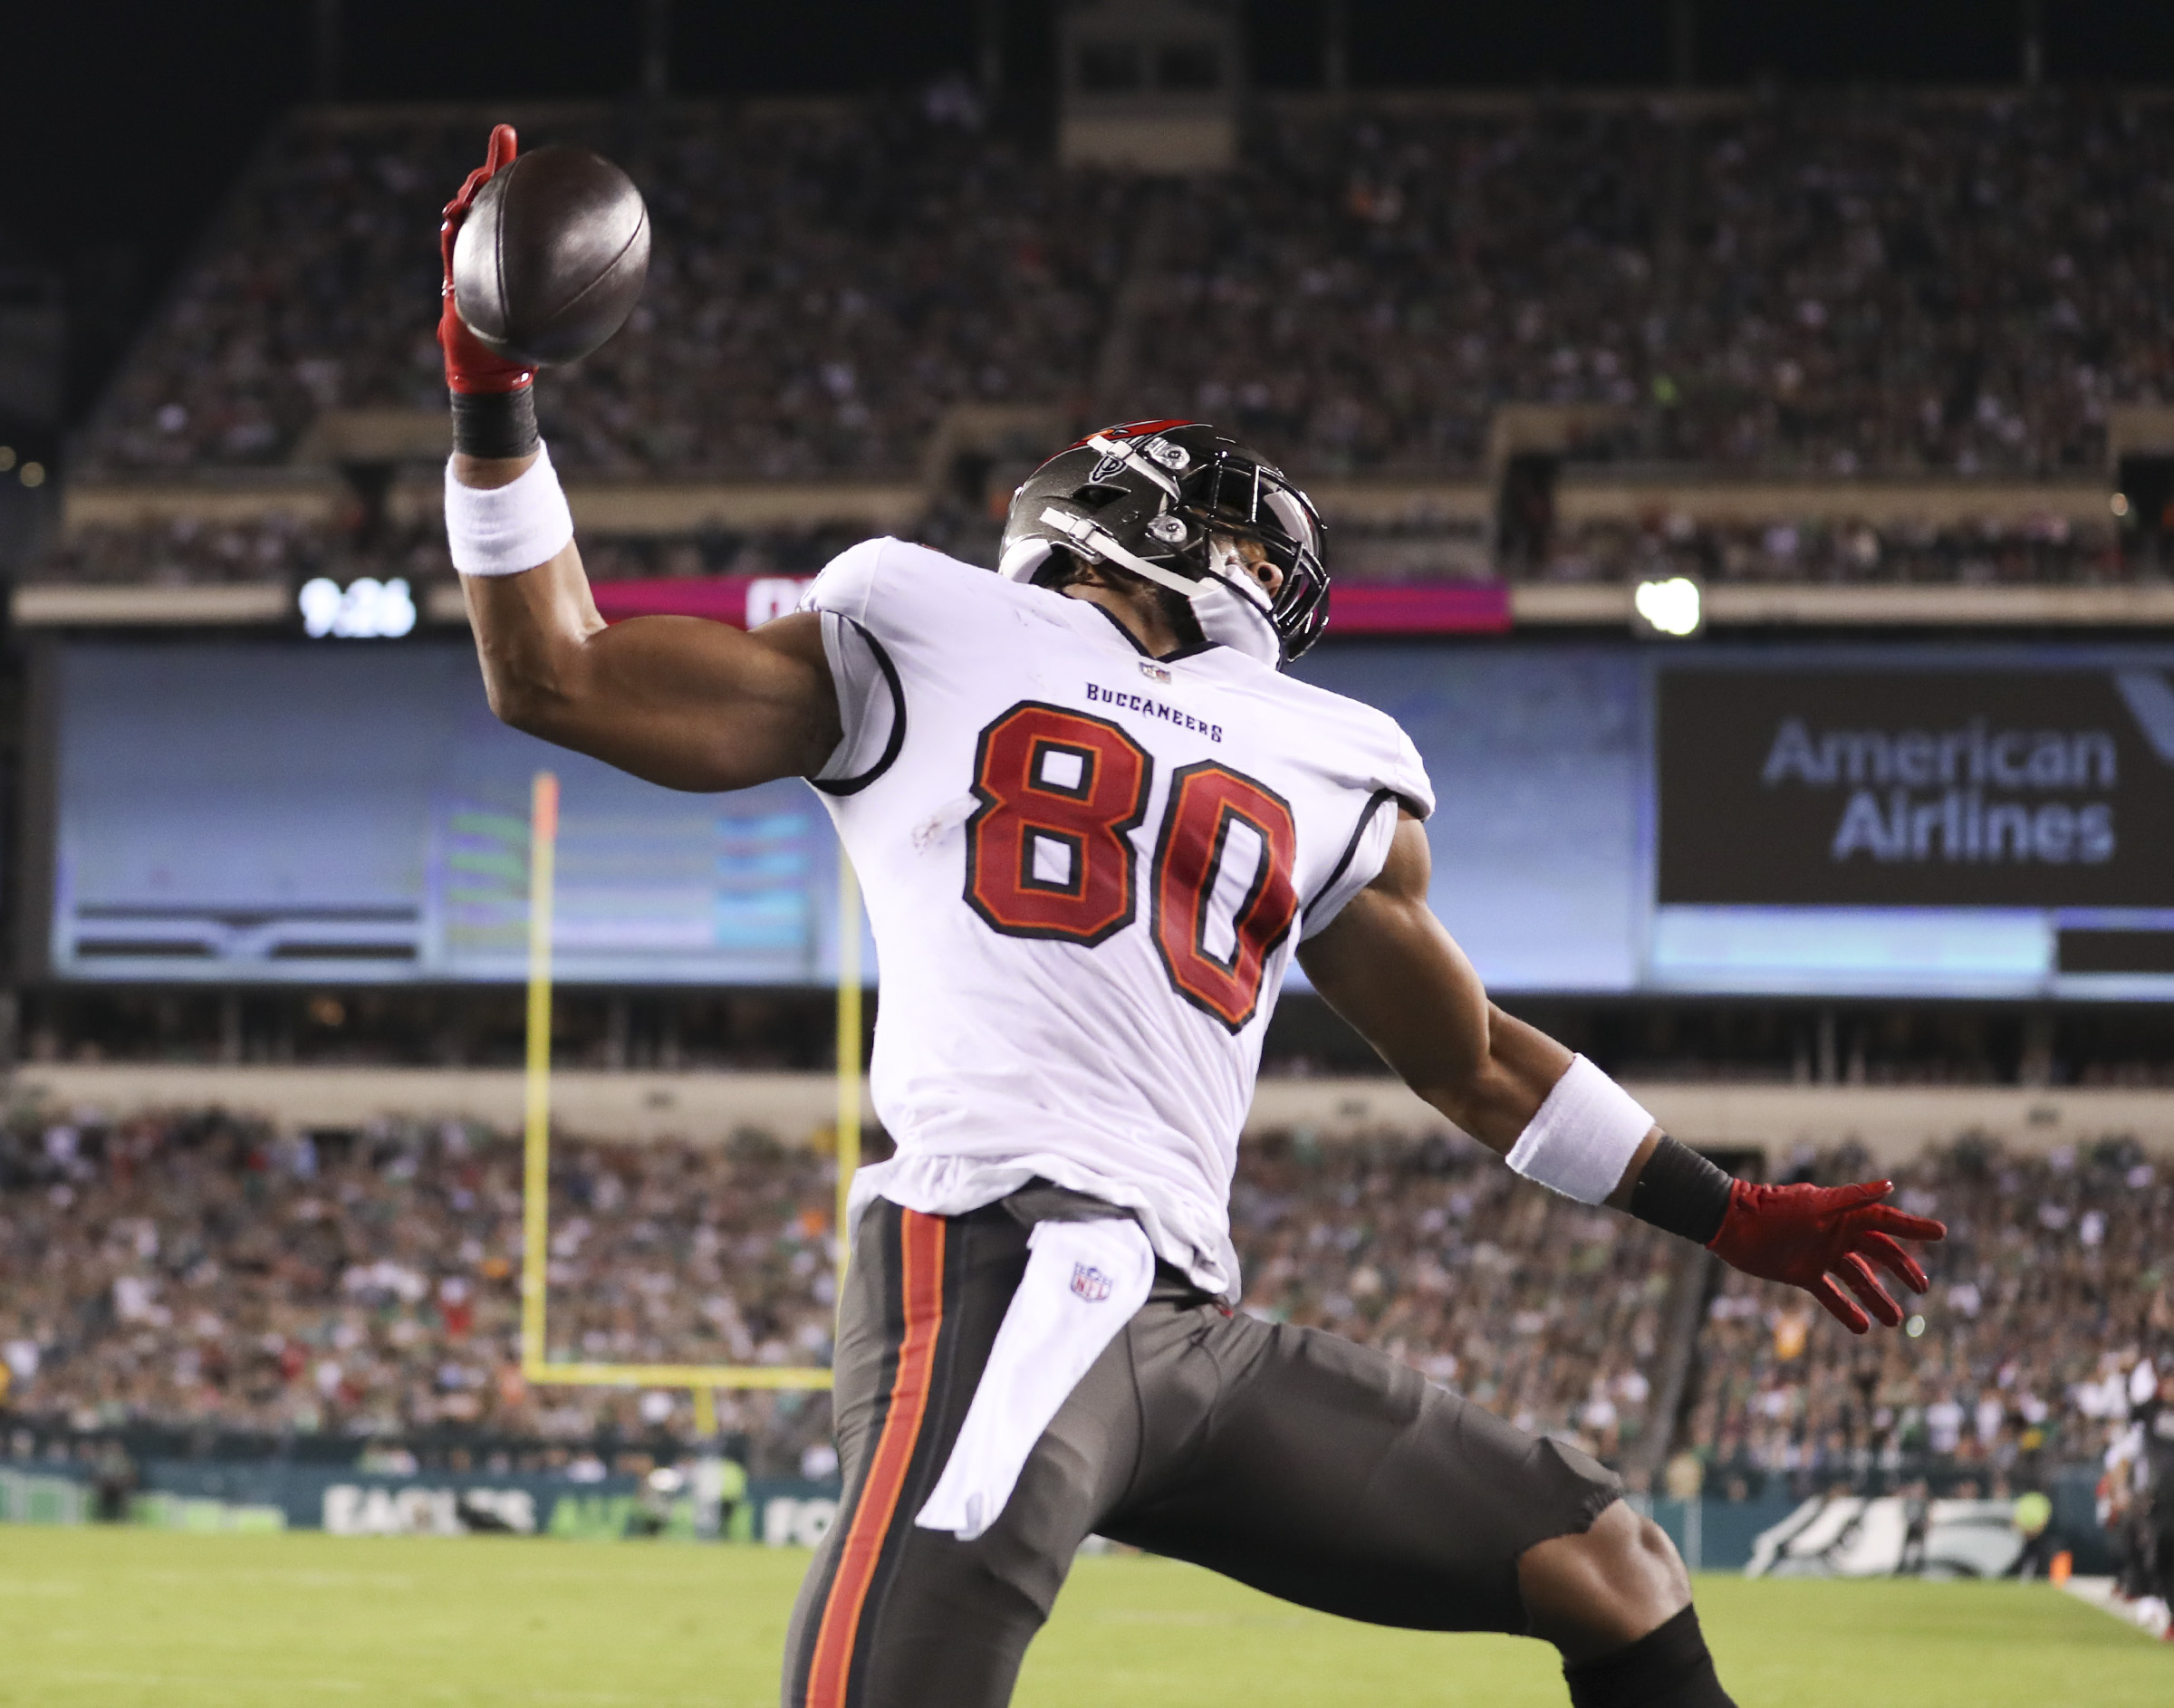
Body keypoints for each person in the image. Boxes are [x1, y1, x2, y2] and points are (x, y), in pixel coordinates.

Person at [434, 129, 1946, 1708]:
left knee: (1610, 1562)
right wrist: (491, 391)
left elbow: (1477, 1059)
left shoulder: (1271, 739)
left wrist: (1727, 1210)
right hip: (998, 1266)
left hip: (1184, 1326)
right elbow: (556, 674)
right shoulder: (992, 643)